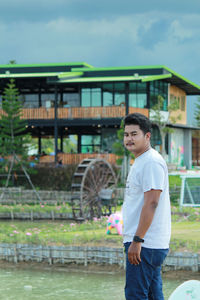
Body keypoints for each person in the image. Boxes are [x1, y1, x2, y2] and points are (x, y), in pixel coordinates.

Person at [122, 113, 171, 300]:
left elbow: (152, 202)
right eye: (126, 134)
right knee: (153, 295)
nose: (129, 139)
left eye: (134, 134)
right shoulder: (142, 160)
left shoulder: (151, 162)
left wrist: (137, 240)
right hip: (147, 243)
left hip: (145, 244)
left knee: (136, 295)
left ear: (147, 136)